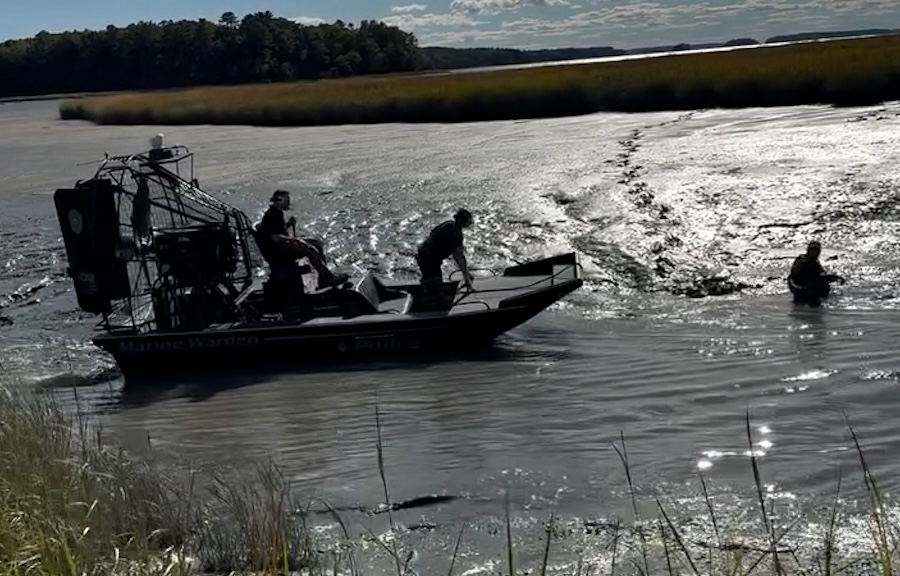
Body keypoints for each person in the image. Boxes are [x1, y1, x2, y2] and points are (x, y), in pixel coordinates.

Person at [256, 189, 348, 290]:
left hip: (279, 246)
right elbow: (275, 237)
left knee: (316, 244)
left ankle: (324, 276)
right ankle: (325, 279)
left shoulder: (277, 213)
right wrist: (295, 240)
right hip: (276, 250)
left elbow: (277, 230)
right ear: (280, 200)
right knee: (310, 249)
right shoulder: (272, 215)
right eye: (287, 200)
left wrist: (288, 225)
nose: (289, 203)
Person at [416, 209, 475, 291]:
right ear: (462, 221)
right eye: (467, 221)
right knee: (434, 282)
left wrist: (467, 274)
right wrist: (467, 280)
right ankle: (429, 293)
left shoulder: (448, 224)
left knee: (431, 278)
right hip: (429, 258)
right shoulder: (455, 233)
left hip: (424, 254)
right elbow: (460, 258)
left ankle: (427, 288)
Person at [787, 240, 844, 304]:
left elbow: (822, 275)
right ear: (808, 250)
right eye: (812, 249)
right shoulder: (801, 262)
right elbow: (793, 278)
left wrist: (834, 278)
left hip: (810, 289)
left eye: (816, 250)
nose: (814, 252)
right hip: (802, 289)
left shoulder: (816, 263)